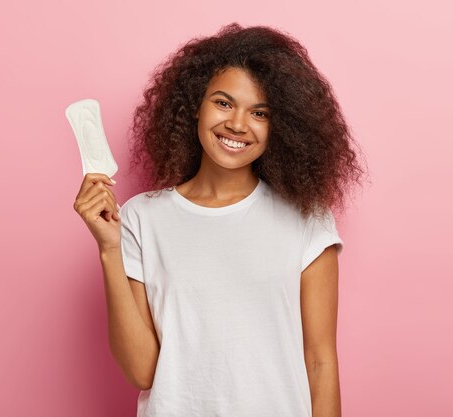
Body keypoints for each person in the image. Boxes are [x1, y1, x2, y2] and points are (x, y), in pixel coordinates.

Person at [73, 22, 366, 417]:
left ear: (279, 125)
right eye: (224, 103)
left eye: (259, 112)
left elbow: (320, 362)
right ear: (196, 103)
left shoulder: (306, 217)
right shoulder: (143, 217)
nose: (237, 125)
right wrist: (109, 248)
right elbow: (143, 371)